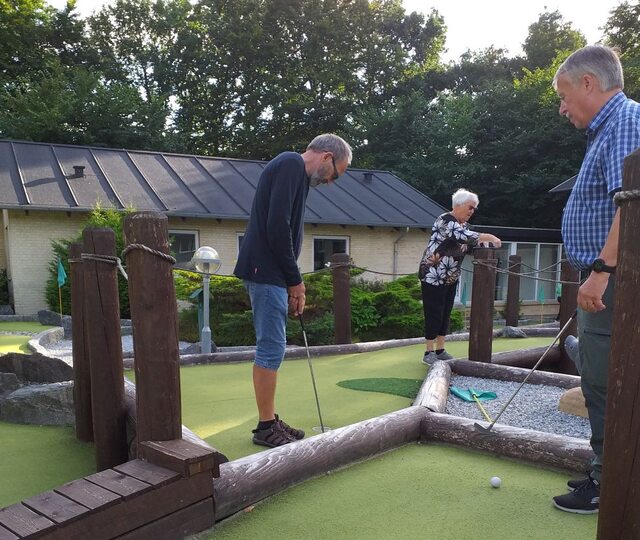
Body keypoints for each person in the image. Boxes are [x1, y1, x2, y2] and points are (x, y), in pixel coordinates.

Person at [551, 45, 640, 514]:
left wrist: (601, 273)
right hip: (609, 276)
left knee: (605, 381)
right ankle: (607, 470)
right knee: (599, 377)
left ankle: (610, 482)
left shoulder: (624, 120)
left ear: (589, 83)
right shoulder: (608, 128)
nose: (562, 108)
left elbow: (632, 204)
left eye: (564, 96)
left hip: (615, 279)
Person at [234, 134, 352, 448]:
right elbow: (277, 227)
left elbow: (282, 228)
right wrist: (295, 280)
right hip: (265, 271)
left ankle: (270, 419)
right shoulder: (290, 164)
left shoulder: (297, 176)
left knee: (273, 345)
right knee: (271, 346)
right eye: (335, 174)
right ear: (326, 157)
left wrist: (292, 282)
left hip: (271, 273)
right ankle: (265, 427)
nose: (330, 181)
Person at [418, 188, 501, 365]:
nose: (472, 211)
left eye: (474, 209)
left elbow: (467, 245)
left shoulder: (464, 226)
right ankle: (428, 351)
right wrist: (489, 237)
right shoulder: (446, 220)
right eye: (470, 207)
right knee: (434, 311)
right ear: (459, 205)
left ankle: (440, 349)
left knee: (445, 312)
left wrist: (485, 246)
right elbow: (461, 236)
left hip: (451, 276)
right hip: (433, 275)